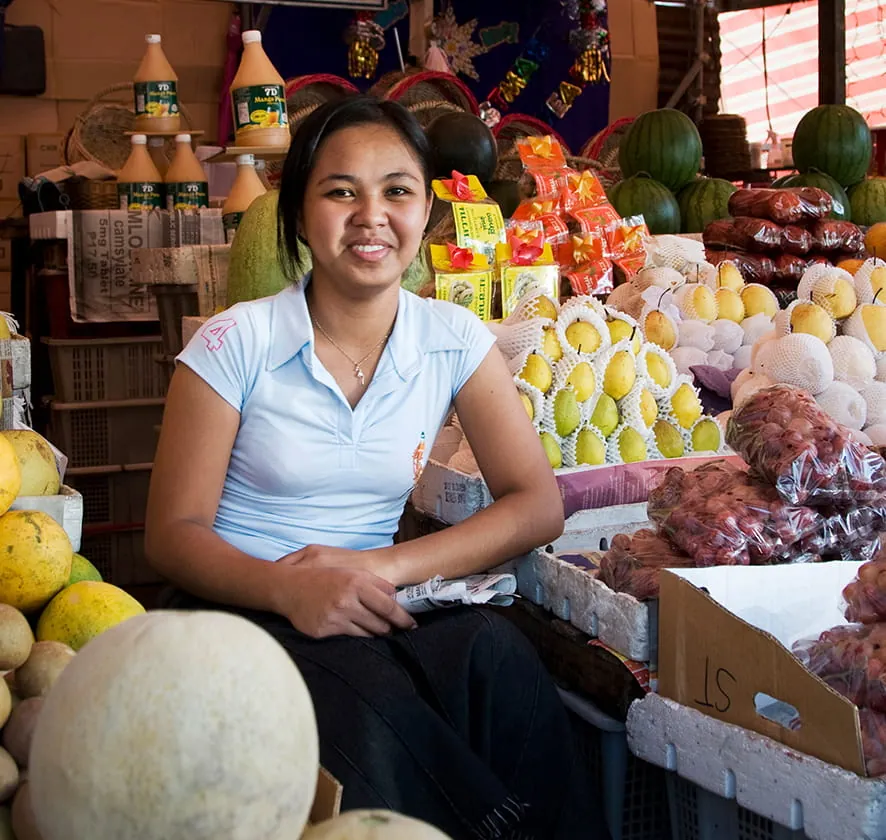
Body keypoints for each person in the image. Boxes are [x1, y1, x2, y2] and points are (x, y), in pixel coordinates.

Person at [146, 94, 607, 840]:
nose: (371, 215)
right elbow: (171, 534)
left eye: (396, 190)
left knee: (499, 659)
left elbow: (535, 503)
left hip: (366, 599)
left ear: (426, 212)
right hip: (234, 605)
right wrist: (289, 588)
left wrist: (379, 569)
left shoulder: (452, 337)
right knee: (365, 700)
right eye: (340, 191)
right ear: (298, 214)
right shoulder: (237, 343)